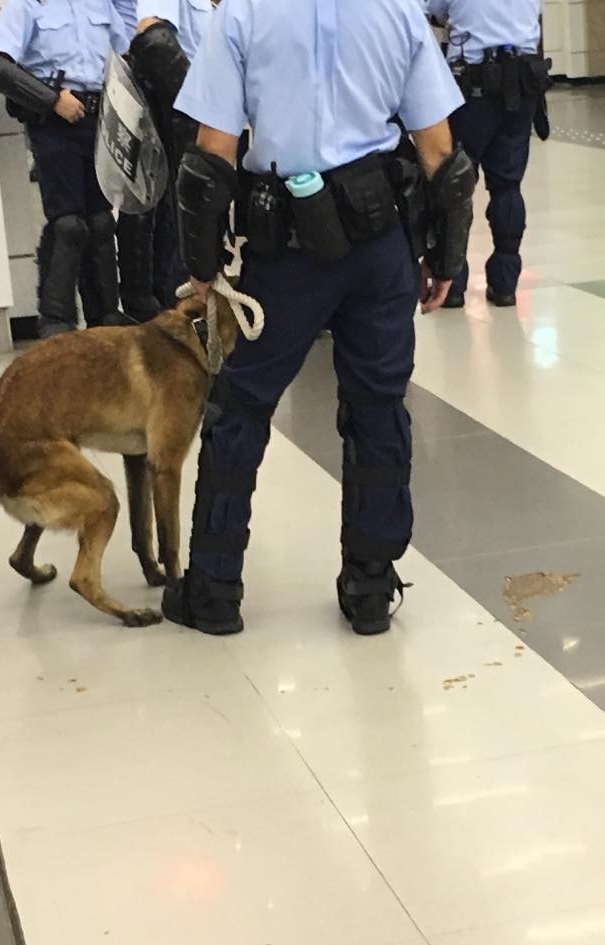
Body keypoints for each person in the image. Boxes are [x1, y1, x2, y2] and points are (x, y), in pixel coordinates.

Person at [161, 0, 475, 637]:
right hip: (382, 242)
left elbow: (211, 153)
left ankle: (214, 592)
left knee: (242, 406)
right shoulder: (398, 10)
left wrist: (201, 263)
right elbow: (440, 149)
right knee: (379, 404)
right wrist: (447, 257)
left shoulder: (243, 13)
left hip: (287, 253)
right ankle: (369, 587)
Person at [0, 0, 133, 338]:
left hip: (99, 120)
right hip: (53, 123)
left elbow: (128, 53)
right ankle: (56, 325)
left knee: (101, 221)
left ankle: (106, 321)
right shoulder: (28, 4)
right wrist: (51, 99)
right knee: (68, 224)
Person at [425, 0, 550, 308]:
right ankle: (505, 284)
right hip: (523, 86)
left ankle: (452, 284)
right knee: (508, 186)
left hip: (472, 89)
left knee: (455, 187)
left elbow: (433, 11)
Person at [114, 0, 213, 321]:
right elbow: (153, 40)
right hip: (186, 118)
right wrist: (199, 105)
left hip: (218, 119)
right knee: (183, 217)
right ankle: (179, 315)